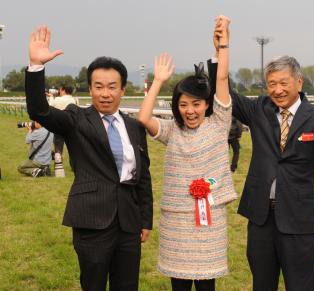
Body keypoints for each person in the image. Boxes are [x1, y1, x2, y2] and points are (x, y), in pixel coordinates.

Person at [209, 32, 314, 291]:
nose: (277, 90)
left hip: (300, 220)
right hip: (261, 218)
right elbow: (224, 93)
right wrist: (219, 53)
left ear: (299, 82)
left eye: (283, 82)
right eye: (271, 83)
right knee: (262, 284)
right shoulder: (259, 110)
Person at [25, 25, 153, 291]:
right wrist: (36, 66)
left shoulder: (133, 126)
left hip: (128, 224)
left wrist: (145, 220)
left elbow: (143, 175)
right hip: (91, 221)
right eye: (98, 87)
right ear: (90, 88)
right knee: (93, 285)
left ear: (122, 89)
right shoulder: (76, 119)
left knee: (127, 285)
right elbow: (39, 111)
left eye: (111, 87)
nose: (105, 93)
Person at [137, 16, 236, 291]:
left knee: (207, 285)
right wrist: (157, 81)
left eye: (196, 104)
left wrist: (223, 45)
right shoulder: (172, 131)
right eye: (183, 104)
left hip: (209, 223)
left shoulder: (219, 124)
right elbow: (144, 118)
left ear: (207, 105)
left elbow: (223, 78)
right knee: (178, 284)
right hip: (177, 222)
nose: (189, 110)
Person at [48, 85, 79, 167]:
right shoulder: (74, 100)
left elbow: (50, 107)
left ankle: (58, 166)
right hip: (72, 126)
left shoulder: (58, 99)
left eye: (60, 89)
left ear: (63, 90)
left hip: (59, 126)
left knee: (58, 147)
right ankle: (74, 166)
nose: (59, 91)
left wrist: (51, 97)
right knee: (73, 148)